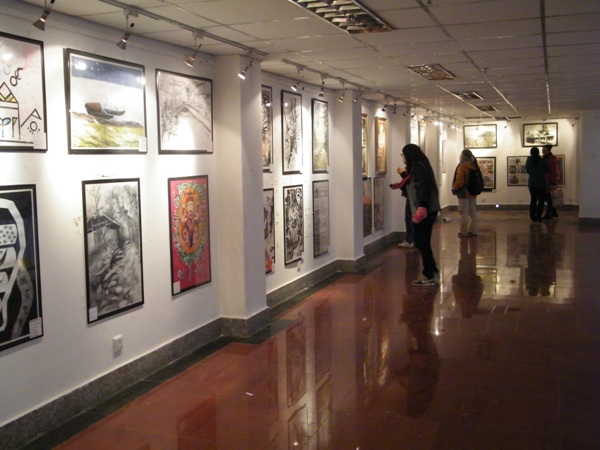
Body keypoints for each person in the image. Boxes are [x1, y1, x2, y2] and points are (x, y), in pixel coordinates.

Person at [401, 143, 440, 287]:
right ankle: (432, 271)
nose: (402, 157)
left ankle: (429, 274)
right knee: (423, 242)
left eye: (403, 154)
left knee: (422, 242)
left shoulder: (418, 167)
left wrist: (422, 207)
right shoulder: (420, 165)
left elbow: (423, 187)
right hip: (426, 209)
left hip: (424, 210)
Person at [451, 149, 480, 237]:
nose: (460, 156)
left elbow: (460, 181)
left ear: (464, 156)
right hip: (473, 193)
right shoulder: (474, 165)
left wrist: (454, 187)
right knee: (473, 212)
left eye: (461, 155)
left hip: (464, 193)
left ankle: (464, 232)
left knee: (463, 213)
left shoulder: (462, 166)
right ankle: (474, 231)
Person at [391, 167, 414, 248]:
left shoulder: (414, 167)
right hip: (411, 196)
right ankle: (411, 239)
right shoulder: (413, 166)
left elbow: (410, 180)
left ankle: (410, 240)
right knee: (410, 218)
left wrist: (402, 173)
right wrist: (399, 185)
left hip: (412, 196)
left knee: (409, 218)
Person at [525, 146, 547, 223]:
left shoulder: (529, 161)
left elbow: (527, 170)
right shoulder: (542, 160)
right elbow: (546, 169)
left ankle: (532, 216)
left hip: (532, 183)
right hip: (541, 183)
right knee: (541, 201)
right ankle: (539, 215)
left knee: (533, 200)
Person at [542, 144, 559, 219]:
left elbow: (554, 171)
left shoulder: (551, 160)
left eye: (545, 150)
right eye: (542, 150)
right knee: (548, 198)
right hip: (545, 181)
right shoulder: (545, 159)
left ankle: (548, 214)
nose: (543, 151)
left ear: (548, 150)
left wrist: (553, 182)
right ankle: (554, 212)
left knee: (548, 198)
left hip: (549, 182)